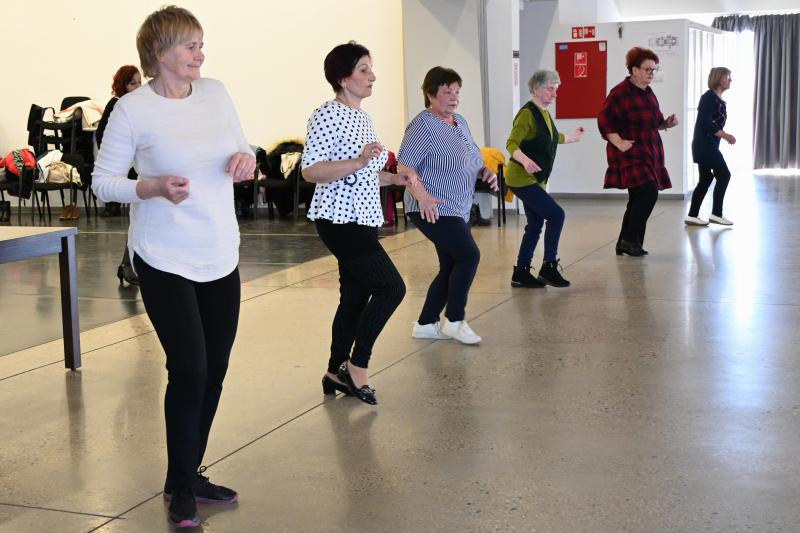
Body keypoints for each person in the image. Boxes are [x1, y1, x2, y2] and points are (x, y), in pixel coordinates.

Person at [92, 6, 255, 528]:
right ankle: (182, 486)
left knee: (215, 370)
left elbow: (243, 146)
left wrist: (246, 159)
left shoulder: (216, 93)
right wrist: (153, 187)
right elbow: (103, 183)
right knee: (189, 368)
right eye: (190, 45)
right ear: (159, 52)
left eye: (201, 44)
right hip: (163, 255)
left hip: (219, 250)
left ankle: (185, 473)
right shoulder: (132, 110)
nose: (200, 54)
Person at [301, 41, 420, 406]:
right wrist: (358, 161)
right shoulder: (326, 115)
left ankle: (335, 370)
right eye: (364, 70)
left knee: (354, 296)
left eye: (371, 68)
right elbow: (311, 171)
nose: (372, 76)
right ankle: (357, 366)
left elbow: (366, 174)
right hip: (339, 219)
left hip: (364, 216)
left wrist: (394, 179)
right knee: (391, 288)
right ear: (343, 78)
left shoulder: (363, 118)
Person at [399, 66, 498, 345]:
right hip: (432, 206)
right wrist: (422, 196)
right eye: (447, 92)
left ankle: (425, 323)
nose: (454, 97)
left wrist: (484, 171)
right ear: (431, 94)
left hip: (459, 205)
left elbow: (472, 158)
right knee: (468, 255)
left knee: (452, 264)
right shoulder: (423, 125)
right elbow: (404, 167)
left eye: (457, 91)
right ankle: (454, 320)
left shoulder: (459, 122)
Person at [506, 69, 585, 288]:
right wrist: (525, 161)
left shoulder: (544, 113)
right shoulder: (527, 114)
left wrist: (573, 137)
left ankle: (521, 272)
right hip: (521, 178)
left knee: (535, 224)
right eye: (550, 89)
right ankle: (549, 266)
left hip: (535, 179)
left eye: (556, 90)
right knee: (556, 215)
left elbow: (552, 137)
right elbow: (511, 143)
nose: (554, 94)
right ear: (536, 89)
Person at [597, 47, 678, 257]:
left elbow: (654, 122)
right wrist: (618, 141)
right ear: (634, 70)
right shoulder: (619, 92)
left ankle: (626, 243)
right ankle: (629, 240)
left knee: (637, 197)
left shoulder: (648, 92)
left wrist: (666, 123)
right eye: (647, 69)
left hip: (649, 150)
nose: (651, 73)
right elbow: (604, 121)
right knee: (648, 192)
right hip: (630, 151)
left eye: (654, 69)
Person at [95, 65, 142, 284]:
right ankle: (127, 266)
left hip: (137, 170)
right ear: (122, 85)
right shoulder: (117, 105)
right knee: (136, 221)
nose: (138, 87)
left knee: (137, 220)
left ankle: (127, 266)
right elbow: (103, 137)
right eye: (133, 83)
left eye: (139, 82)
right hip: (127, 172)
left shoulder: (139, 105)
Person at [685, 67, 735, 226]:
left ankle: (692, 216)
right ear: (719, 79)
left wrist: (721, 136)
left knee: (706, 179)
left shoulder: (717, 99)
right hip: (705, 145)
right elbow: (705, 122)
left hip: (709, 145)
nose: (730, 80)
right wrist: (725, 135)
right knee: (724, 175)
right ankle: (716, 214)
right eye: (727, 77)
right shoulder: (708, 98)